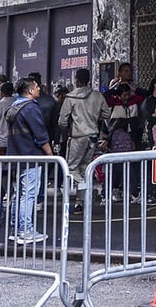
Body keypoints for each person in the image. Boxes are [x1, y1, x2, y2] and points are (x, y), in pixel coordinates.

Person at [6, 77, 53, 244]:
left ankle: (15, 229)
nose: (39, 88)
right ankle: (26, 230)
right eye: (37, 86)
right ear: (30, 90)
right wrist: (50, 154)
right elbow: (40, 135)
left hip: (16, 155)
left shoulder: (14, 106)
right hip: (31, 155)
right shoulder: (31, 108)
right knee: (29, 195)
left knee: (18, 194)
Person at [58, 69, 110, 214]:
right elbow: (107, 113)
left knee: (71, 168)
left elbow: (62, 120)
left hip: (77, 137)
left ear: (77, 80)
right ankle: (80, 203)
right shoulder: (97, 96)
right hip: (93, 136)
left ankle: (82, 188)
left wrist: (68, 128)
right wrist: (94, 118)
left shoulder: (71, 97)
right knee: (85, 168)